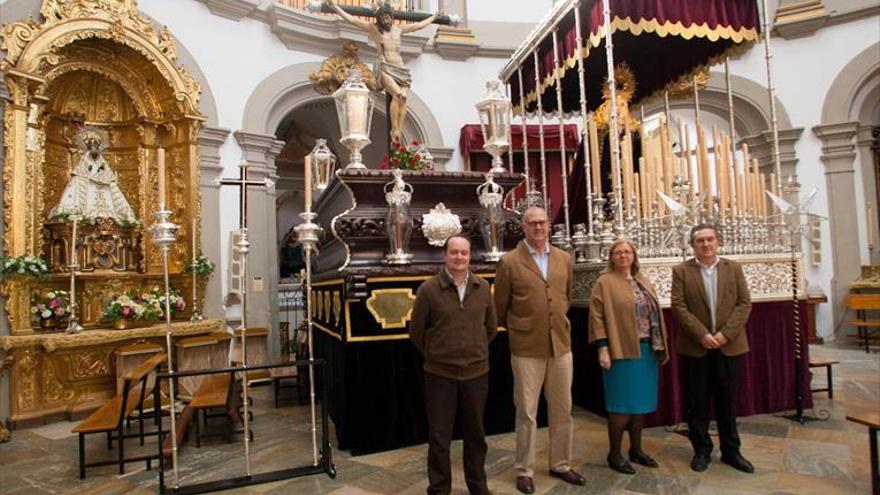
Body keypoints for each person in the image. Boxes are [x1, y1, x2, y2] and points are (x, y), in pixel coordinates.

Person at [494, 206, 586, 494]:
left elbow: (565, 297)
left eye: (542, 222)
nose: (538, 227)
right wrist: (524, 326)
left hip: (560, 345)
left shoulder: (563, 258)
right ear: (524, 226)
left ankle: (560, 463)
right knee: (527, 412)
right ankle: (525, 469)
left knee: (562, 409)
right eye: (532, 223)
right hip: (525, 347)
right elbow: (500, 307)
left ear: (549, 226)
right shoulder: (510, 262)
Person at [410, 235, 497, 495]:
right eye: (454, 252)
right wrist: (438, 354)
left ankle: (478, 487)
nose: (459, 257)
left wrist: (474, 351)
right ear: (445, 255)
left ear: (470, 256)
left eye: (464, 253)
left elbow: (491, 328)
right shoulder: (428, 290)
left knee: (476, 436)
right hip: (439, 376)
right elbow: (417, 333)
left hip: (476, 374)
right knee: (439, 438)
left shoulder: (483, 288)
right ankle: (439, 489)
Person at [671, 224, 754, 474]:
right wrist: (703, 335)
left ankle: (732, 451)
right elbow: (678, 306)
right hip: (696, 348)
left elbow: (744, 303)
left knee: (727, 402)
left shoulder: (734, 268)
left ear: (718, 241)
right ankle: (701, 450)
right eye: (700, 241)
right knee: (697, 402)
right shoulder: (681, 271)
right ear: (692, 245)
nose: (705, 245)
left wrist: (724, 335)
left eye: (710, 240)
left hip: (729, 346)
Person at [589, 239, 668, 474]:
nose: (623, 255)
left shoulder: (642, 279)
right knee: (621, 406)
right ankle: (614, 454)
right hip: (620, 351)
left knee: (639, 405)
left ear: (634, 255)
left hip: (646, 349)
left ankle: (636, 449)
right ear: (611, 256)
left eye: (627, 251)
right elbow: (596, 316)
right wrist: (603, 347)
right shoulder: (604, 282)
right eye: (618, 252)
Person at [326, 0, 441, 143]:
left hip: (401, 69)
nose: (388, 20)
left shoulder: (398, 29)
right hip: (386, 68)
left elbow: (417, 26)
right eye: (385, 17)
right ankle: (395, 130)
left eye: (390, 17)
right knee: (397, 94)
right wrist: (336, 8)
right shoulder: (374, 29)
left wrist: (434, 17)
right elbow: (353, 20)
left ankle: (398, 128)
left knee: (404, 98)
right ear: (379, 18)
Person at [49, 128, 136, 222]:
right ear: (87, 145)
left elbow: (117, 196)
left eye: (96, 142)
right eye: (91, 142)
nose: (94, 145)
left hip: (110, 220)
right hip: (85, 219)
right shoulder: (80, 175)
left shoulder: (106, 174)